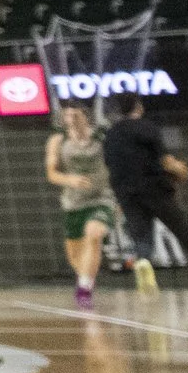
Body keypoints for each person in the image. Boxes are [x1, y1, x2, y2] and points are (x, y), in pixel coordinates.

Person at [104, 95, 188, 305]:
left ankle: (143, 262)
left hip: (126, 193)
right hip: (155, 189)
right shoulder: (147, 127)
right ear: (138, 107)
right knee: (186, 237)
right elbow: (166, 161)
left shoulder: (110, 136)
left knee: (142, 238)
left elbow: (110, 167)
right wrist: (181, 171)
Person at [47, 104, 118, 309]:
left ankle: (84, 289)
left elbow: (117, 162)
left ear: (85, 116)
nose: (71, 118)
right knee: (75, 257)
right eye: (67, 115)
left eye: (75, 114)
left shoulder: (101, 137)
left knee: (94, 234)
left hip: (102, 197)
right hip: (74, 202)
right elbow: (51, 174)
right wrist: (69, 179)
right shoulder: (58, 140)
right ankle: (86, 277)